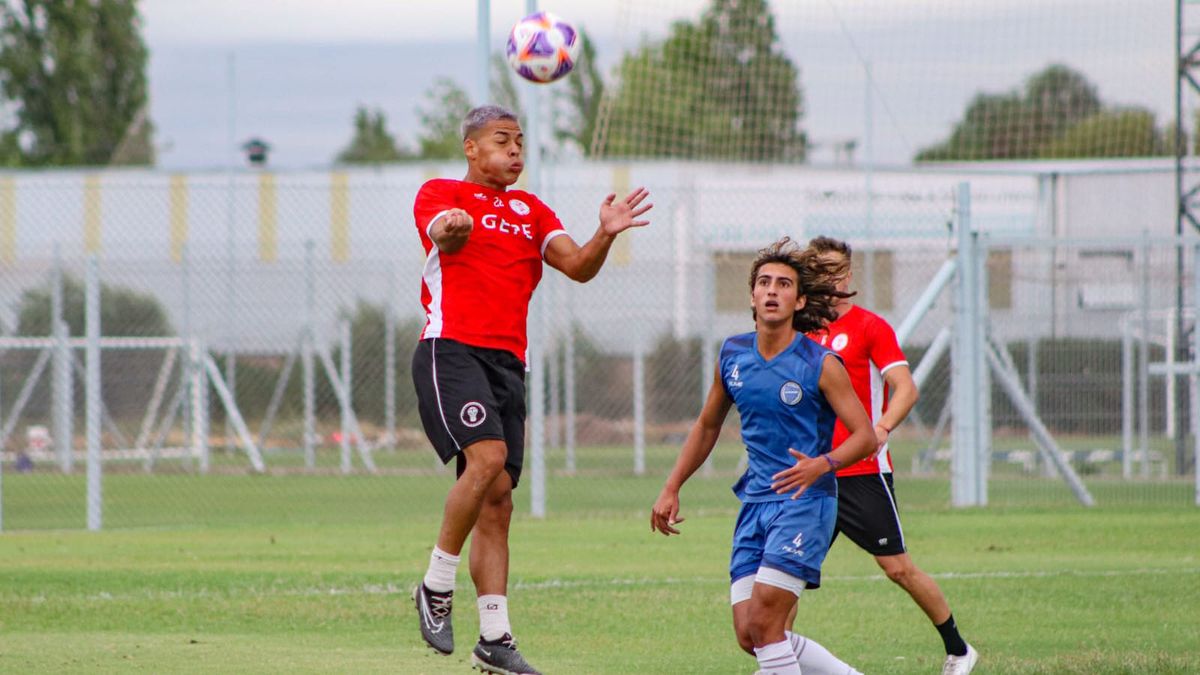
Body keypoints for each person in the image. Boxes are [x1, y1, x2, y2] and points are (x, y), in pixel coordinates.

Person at [410, 104, 652, 675]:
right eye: (502, 140)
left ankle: (494, 636)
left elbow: (578, 266)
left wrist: (605, 233)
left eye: (520, 141)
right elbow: (439, 230)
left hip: (507, 364)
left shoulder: (533, 210)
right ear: (472, 148)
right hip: (452, 350)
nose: (515, 150)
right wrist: (453, 227)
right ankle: (435, 585)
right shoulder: (443, 193)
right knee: (487, 457)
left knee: (498, 498)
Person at [651, 237, 877, 675]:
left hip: (806, 503)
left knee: (766, 624)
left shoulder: (821, 363)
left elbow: (866, 435)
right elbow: (707, 426)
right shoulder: (733, 355)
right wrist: (671, 485)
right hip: (755, 502)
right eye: (765, 282)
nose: (773, 290)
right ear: (752, 296)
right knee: (748, 634)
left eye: (784, 284)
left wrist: (823, 463)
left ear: (800, 299)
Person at [803, 236, 978, 674]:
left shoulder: (870, 327)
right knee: (788, 575)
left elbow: (906, 388)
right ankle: (776, 662)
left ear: (846, 275)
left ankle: (959, 649)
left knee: (897, 567)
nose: (825, 277)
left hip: (862, 470)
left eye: (832, 269)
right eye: (816, 268)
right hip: (815, 473)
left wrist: (881, 428)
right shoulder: (802, 329)